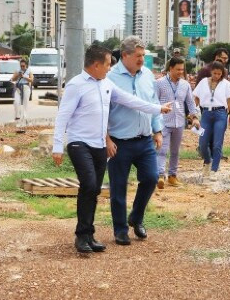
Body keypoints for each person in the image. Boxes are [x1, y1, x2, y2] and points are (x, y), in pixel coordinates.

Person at [52, 44, 171, 253]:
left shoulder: (105, 83)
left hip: (99, 144)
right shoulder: (76, 85)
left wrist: (157, 109)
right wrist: (57, 146)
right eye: (107, 64)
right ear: (96, 64)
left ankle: (89, 235)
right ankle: (81, 236)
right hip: (79, 142)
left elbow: (130, 100)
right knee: (88, 185)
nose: (110, 68)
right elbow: (63, 116)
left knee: (94, 189)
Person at [106, 36, 164, 246]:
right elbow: (102, 111)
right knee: (118, 188)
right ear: (125, 56)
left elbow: (154, 103)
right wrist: (106, 138)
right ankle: (120, 230)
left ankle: (136, 218)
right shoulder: (110, 78)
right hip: (119, 143)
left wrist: (157, 130)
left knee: (151, 178)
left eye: (143, 55)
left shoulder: (147, 75)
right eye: (138, 56)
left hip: (144, 140)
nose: (142, 59)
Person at [155, 56, 200, 189]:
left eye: (182, 69)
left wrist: (195, 118)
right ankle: (160, 175)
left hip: (179, 122)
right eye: (178, 69)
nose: (180, 72)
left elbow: (190, 103)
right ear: (170, 68)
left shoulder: (185, 85)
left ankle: (172, 176)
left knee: (175, 151)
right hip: (163, 122)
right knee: (162, 150)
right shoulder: (159, 83)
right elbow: (154, 102)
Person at [193, 61, 230, 181]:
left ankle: (214, 169)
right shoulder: (203, 82)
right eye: (215, 73)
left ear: (222, 73)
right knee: (202, 143)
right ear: (211, 71)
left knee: (217, 143)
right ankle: (207, 161)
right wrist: (193, 112)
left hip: (220, 114)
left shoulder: (226, 84)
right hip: (205, 114)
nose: (217, 76)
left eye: (219, 74)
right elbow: (196, 97)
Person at [11, 59, 33, 124]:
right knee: (16, 102)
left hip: (26, 87)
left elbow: (31, 80)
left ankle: (24, 117)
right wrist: (17, 75)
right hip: (18, 87)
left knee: (25, 103)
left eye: (23, 66)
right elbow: (12, 79)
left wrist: (24, 76)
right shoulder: (17, 71)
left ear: (26, 65)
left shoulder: (29, 71)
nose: (22, 67)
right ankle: (17, 116)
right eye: (21, 66)